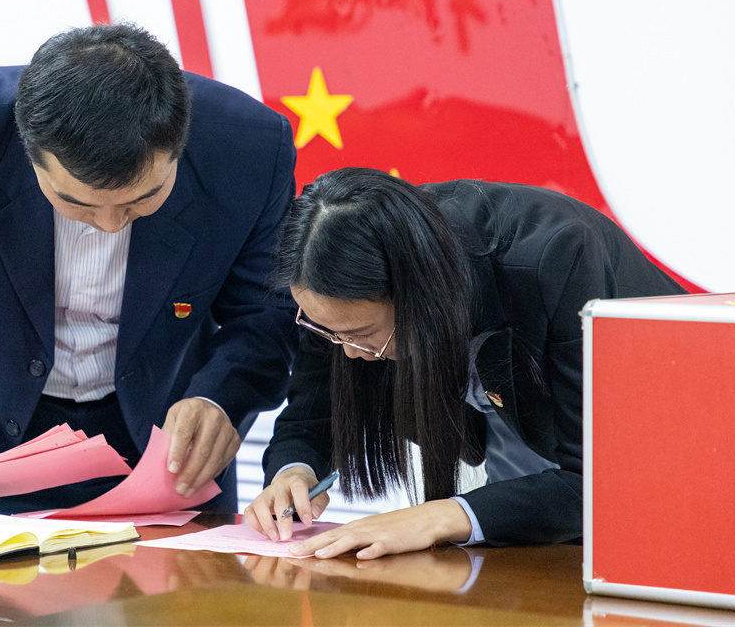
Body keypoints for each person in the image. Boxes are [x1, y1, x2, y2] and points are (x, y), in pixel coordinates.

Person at [0, 23, 297, 518]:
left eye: (142, 200)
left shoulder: (250, 149)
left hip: (163, 455)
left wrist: (219, 399)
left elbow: (268, 312)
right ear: (30, 154)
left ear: (180, 144)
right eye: (77, 203)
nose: (110, 225)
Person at [244, 167, 686, 558]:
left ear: (420, 298)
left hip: (663, 459)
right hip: (530, 464)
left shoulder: (556, 256)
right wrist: (294, 470)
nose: (349, 352)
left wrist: (437, 517)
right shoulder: (332, 288)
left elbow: (595, 479)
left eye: (361, 335)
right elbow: (313, 413)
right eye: (328, 332)